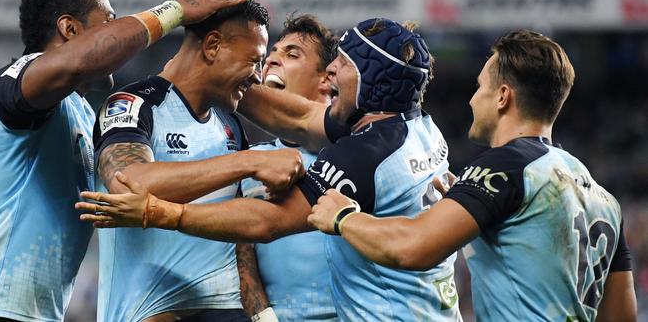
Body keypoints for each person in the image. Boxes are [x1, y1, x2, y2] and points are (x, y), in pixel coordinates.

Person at [77, 18, 463, 321]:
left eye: (342, 63)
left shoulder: (358, 154)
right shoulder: (421, 128)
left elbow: (266, 222)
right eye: (262, 56)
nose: (332, 70)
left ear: (368, 79)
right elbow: (294, 119)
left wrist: (161, 212)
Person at [307, 30, 638, 322]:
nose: (472, 98)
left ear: (502, 96)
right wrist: (467, 200)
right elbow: (621, 316)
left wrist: (343, 217)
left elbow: (414, 247)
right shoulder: (601, 196)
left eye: (480, 87)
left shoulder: (505, 167)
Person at [0, 0, 248, 322]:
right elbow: (77, 62)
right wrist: (175, 11)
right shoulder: (20, 79)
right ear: (70, 29)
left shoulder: (83, 113)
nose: (122, 33)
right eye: (110, 21)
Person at [87, 0, 305, 322]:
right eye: (254, 61)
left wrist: (261, 314)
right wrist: (249, 162)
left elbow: (242, 239)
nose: (258, 77)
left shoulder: (229, 123)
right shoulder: (134, 104)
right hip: (152, 313)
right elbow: (128, 184)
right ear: (213, 46)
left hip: (229, 312)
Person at [235, 14, 339, 321]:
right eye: (273, 53)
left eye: (292, 54)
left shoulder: (354, 150)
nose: (272, 60)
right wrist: (262, 315)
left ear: (327, 79)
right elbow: (243, 248)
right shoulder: (251, 160)